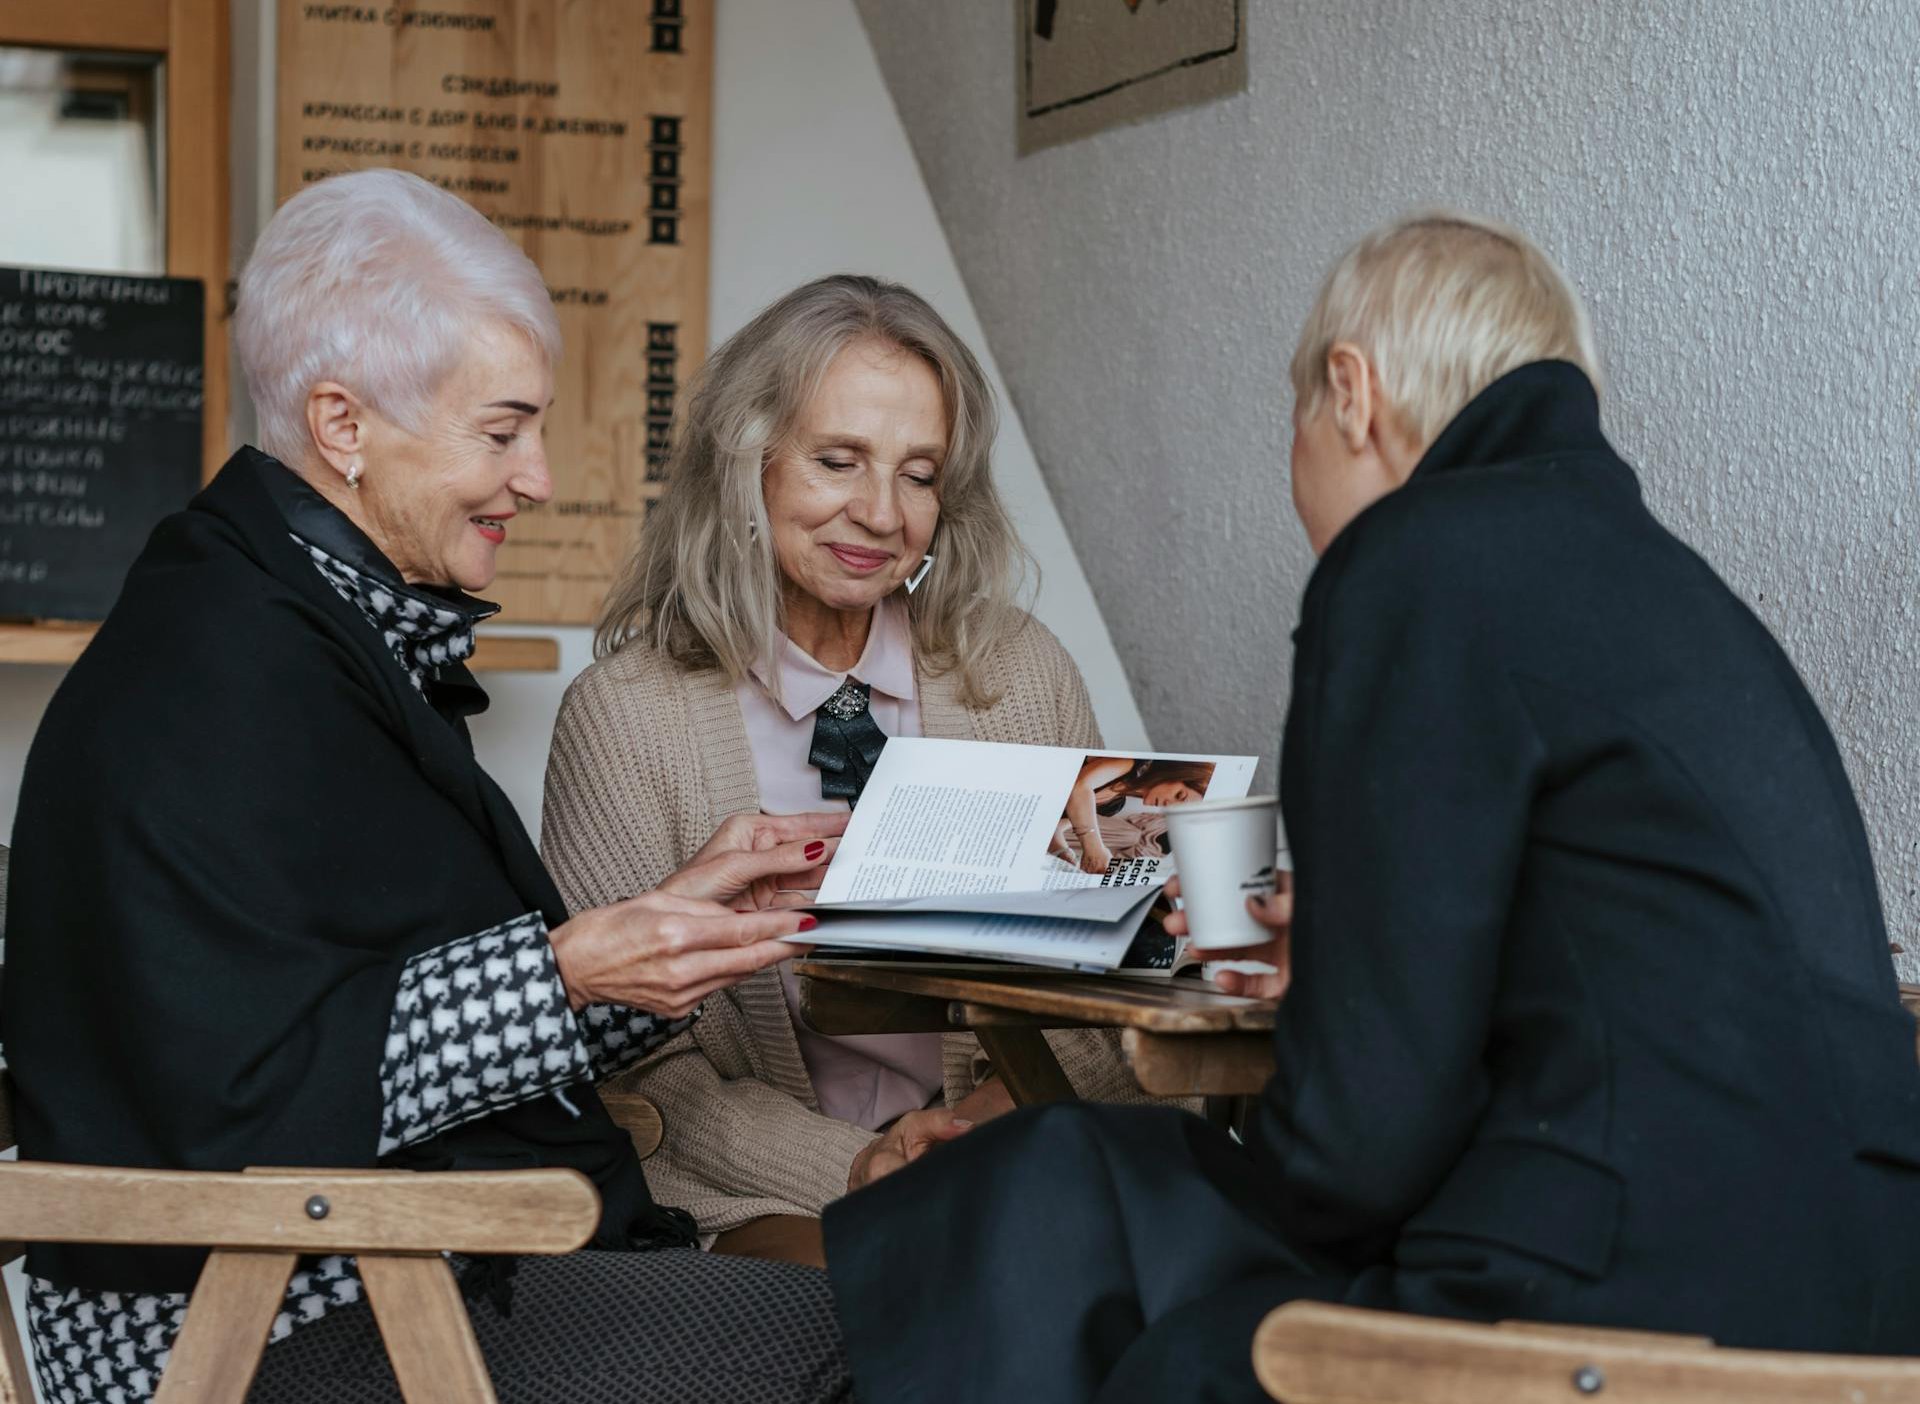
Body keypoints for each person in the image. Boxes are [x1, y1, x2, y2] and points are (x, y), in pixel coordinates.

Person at [819, 210, 1920, 1403]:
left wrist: (1326, 1030)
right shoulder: (1666, 583)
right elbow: (1602, 969)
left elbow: (1350, 1155)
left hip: (1613, 1284)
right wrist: (1350, 954)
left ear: (1350, 392)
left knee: (1054, 1203)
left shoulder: (1412, 560)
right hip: (1857, 1279)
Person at [0, 169, 853, 1403]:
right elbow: (240, 1089)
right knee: (886, 1339)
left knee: (928, 1294)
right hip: (248, 1324)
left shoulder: (299, 625)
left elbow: (374, 1022)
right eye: (501, 432)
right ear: (343, 426)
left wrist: (667, 929)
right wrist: (570, 969)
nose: (540, 477)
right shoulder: (216, 674)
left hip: (373, 1260)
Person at [542, 274, 1172, 1268]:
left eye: (918, 473)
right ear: (748, 462)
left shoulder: (1021, 672)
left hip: (1014, 1159)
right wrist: (865, 1163)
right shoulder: (625, 716)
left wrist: (977, 1127)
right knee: (908, 1295)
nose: (881, 513)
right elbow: (644, 1062)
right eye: (839, 461)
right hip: (757, 1193)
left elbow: (1106, 990)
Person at [1047, 756, 1215, 872]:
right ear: (1176, 773)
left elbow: (1056, 828)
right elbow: (1080, 786)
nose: (1168, 805)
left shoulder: (1113, 806)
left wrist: (1062, 853)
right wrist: (1094, 847)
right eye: (1179, 795)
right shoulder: (1130, 764)